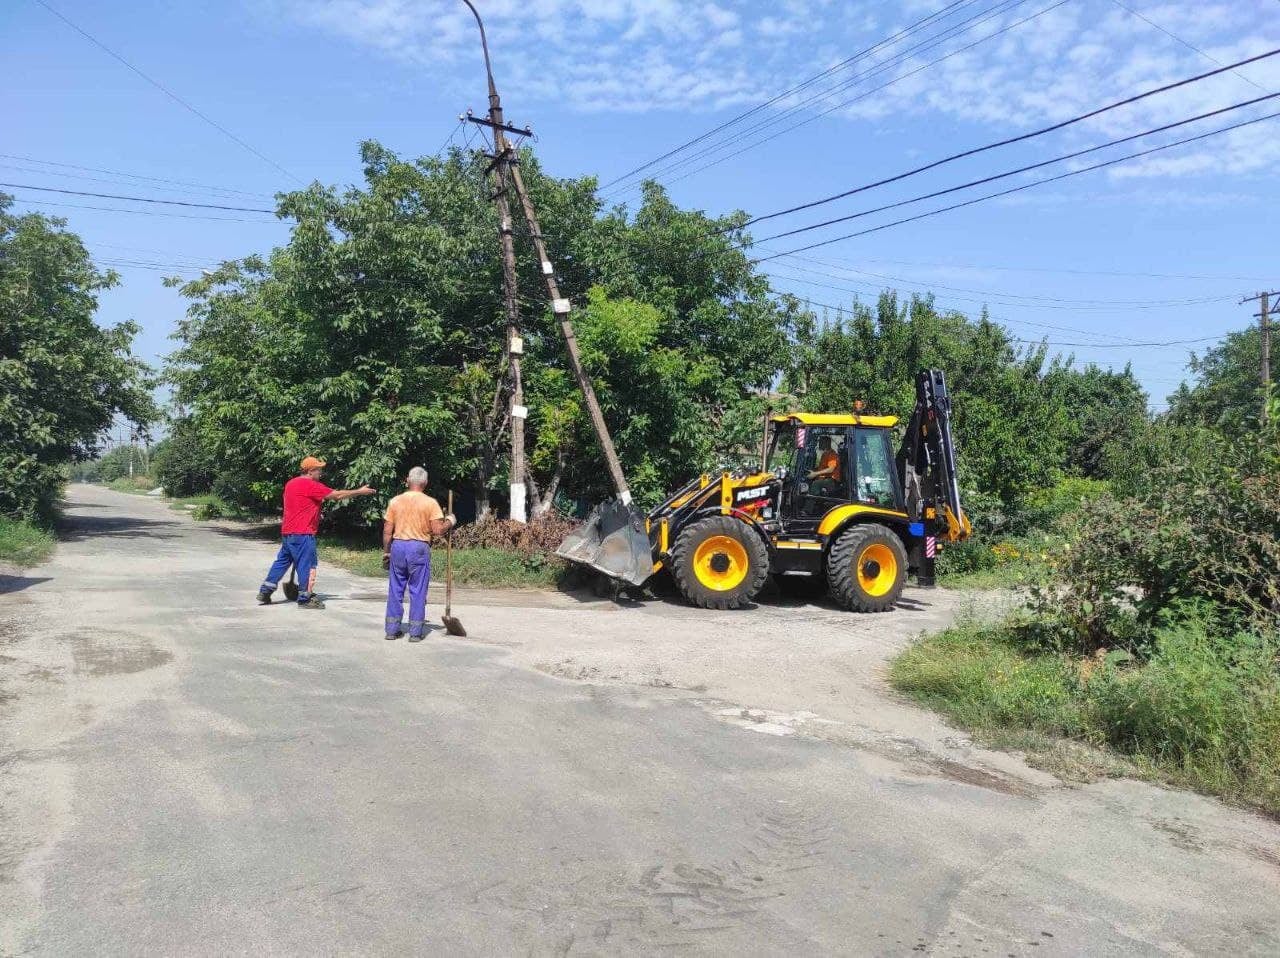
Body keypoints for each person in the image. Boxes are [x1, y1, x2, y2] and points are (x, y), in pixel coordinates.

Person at [257, 456, 376, 609]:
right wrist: (359, 491)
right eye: (319, 470)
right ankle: (305, 598)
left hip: (288, 532)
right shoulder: (311, 485)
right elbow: (337, 495)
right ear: (311, 471)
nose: (321, 473)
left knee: (282, 562)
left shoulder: (291, 484)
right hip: (303, 533)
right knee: (307, 565)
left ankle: (265, 591)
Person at [382, 467, 456, 641]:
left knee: (395, 589)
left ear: (408, 480)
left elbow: (387, 530)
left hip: (398, 546)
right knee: (418, 590)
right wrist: (450, 521)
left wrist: (387, 552)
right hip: (418, 548)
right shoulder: (430, 503)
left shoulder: (395, 501)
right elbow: (437, 530)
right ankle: (415, 633)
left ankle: (392, 630)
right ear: (425, 483)